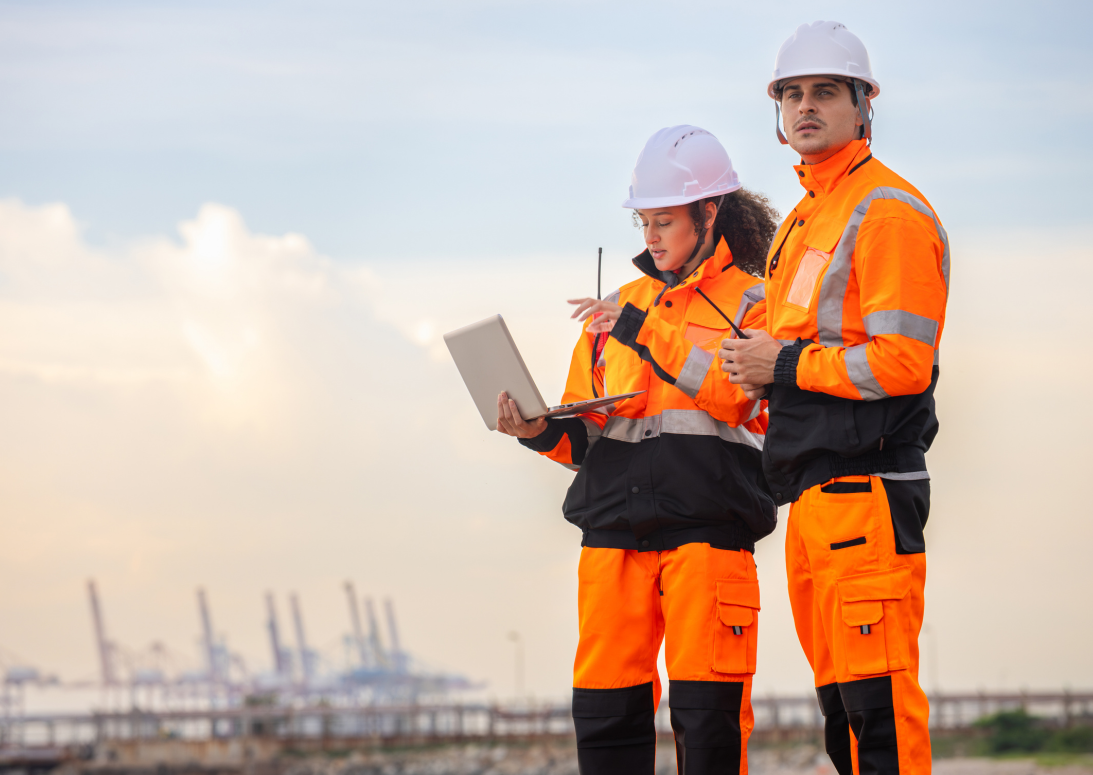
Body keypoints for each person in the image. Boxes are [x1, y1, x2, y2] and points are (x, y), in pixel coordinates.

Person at [495, 125, 780, 774]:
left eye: (662, 221)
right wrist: (533, 429)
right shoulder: (617, 311)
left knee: (707, 718)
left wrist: (643, 328)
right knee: (605, 713)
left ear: (709, 214)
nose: (649, 237)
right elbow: (584, 443)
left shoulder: (755, 304)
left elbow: (733, 398)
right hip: (611, 539)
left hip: (708, 538)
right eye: (643, 223)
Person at [720, 22, 950, 775]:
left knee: (877, 710)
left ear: (863, 105)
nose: (805, 106)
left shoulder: (884, 211)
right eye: (791, 93)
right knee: (842, 717)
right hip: (815, 496)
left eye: (824, 91)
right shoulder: (803, 219)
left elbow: (901, 362)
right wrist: (756, 371)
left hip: (865, 489)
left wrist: (779, 364)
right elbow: (797, 358)